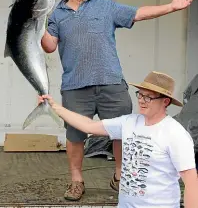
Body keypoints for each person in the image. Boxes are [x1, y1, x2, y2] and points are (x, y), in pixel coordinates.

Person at [41, 0, 195, 200]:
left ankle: (120, 176)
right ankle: (76, 181)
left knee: (123, 132)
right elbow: (49, 46)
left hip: (111, 83)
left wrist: (172, 7)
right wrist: (36, 21)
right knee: (75, 135)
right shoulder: (57, 14)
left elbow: (139, 13)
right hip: (75, 85)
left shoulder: (105, 7)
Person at [39, 71, 198, 208]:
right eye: (140, 94)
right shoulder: (128, 122)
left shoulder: (175, 134)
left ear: (165, 101)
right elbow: (88, 126)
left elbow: (191, 183)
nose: (141, 100)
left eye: (148, 97)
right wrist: (55, 107)